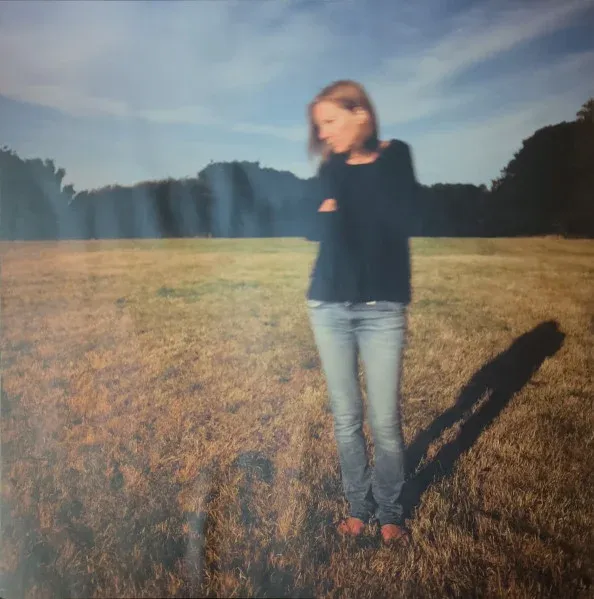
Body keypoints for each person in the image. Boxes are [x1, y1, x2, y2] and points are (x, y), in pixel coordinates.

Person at [305, 79, 417, 546]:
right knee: (346, 416)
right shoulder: (331, 166)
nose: (323, 134)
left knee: (385, 421)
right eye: (319, 125)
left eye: (330, 121)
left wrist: (337, 210)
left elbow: (400, 216)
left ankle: (389, 511)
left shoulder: (396, 156)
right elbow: (316, 227)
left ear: (361, 114)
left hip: (382, 308)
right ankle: (357, 507)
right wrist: (334, 213)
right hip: (328, 304)